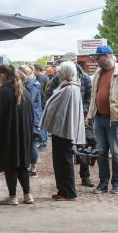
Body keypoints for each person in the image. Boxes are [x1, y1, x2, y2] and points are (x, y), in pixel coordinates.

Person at [87, 45, 118, 195]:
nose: (96, 60)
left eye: (98, 57)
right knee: (101, 152)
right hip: (99, 118)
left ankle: (116, 183)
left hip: (114, 119)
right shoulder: (98, 72)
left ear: (107, 56)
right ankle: (103, 183)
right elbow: (94, 96)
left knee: (116, 152)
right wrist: (90, 115)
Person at [0, 65, 34, 205]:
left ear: (3, 76)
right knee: (23, 164)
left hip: (5, 136)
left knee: (10, 165)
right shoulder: (24, 92)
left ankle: (12, 197)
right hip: (23, 136)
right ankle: (27, 195)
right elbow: (31, 117)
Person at [45, 52, 94, 187]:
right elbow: (49, 94)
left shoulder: (85, 78)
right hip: (64, 120)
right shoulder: (57, 78)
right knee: (65, 152)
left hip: (80, 118)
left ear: (75, 62)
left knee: (82, 147)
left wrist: (81, 111)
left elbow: (89, 98)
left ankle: (85, 176)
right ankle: (66, 180)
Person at [41, 61, 85, 201]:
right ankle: (63, 190)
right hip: (62, 129)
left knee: (64, 162)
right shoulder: (69, 87)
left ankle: (68, 192)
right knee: (61, 161)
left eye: (60, 72)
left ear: (66, 73)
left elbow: (55, 107)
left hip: (64, 131)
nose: (57, 74)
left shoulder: (69, 88)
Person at [18, 65, 42, 177]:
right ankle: (29, 166)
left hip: (32, 118)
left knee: (32, 143)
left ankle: (33, 168)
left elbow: (29, 103)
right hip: (31, 117)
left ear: (23, 74)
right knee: (30, 143)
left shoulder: (32, 86)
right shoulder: (30, 84)